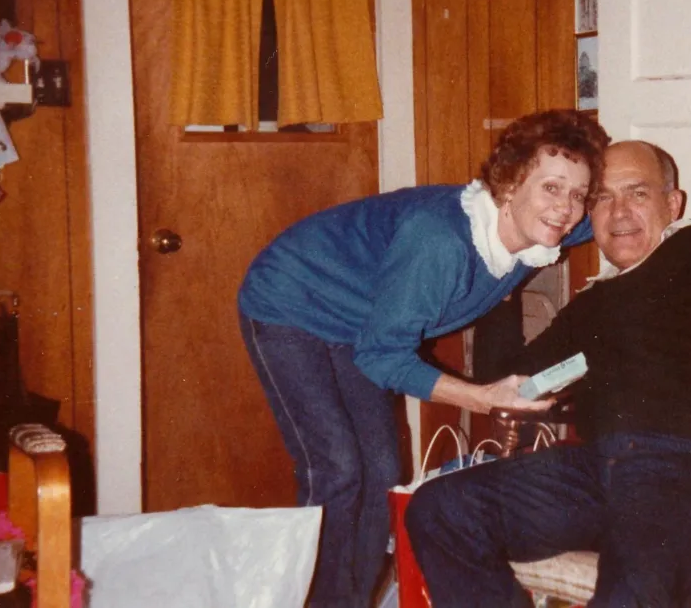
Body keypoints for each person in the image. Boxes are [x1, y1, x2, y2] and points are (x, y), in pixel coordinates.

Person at [405, 140, 691, 608]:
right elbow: (515, 382)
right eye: (603, 198)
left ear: (673, 203)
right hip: (596, 474)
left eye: (637, 193)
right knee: (441, 510)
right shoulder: (593, 304)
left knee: (632, 588)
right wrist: (504, 274)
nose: (620, 211)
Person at [236, 109, 609, 608]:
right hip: (291, 300)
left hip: (362, 320)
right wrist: (481, 397)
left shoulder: (543, 226)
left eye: (578, 194)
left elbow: (617, 215)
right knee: (337, 470)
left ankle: (353, 601)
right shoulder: (442, 243)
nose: (565, 209)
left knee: (381, 467)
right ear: (510, 184)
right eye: (551, 188)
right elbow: (382, 355)